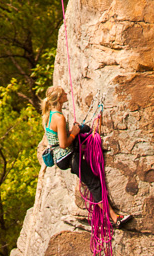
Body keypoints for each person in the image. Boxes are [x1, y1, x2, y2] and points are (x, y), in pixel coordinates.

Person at [41, 86, 133, 230]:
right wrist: (74, 133)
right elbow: (64, 144)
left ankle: (88, 137)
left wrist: (74, 132)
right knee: (94, 183)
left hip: (63, 157)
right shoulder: (59, 117)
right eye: (64, 94)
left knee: (83, 129)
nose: (67, 94)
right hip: (67, 156)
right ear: (59, 99)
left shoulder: (51, 114)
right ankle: (114, 218)